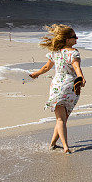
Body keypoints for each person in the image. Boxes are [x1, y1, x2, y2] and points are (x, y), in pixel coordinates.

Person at [29, 25, 86, 153]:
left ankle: (53, 143)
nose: (76, 38)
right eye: (74, 37)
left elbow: (46, 68)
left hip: (56, 87)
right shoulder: (74, 52)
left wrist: (35, 74)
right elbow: (76, 67)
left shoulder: (54, 53)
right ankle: (65, 147)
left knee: (60, 119)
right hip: (70, 87)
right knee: (62, 119)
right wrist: (81, 77)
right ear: (67, 39)